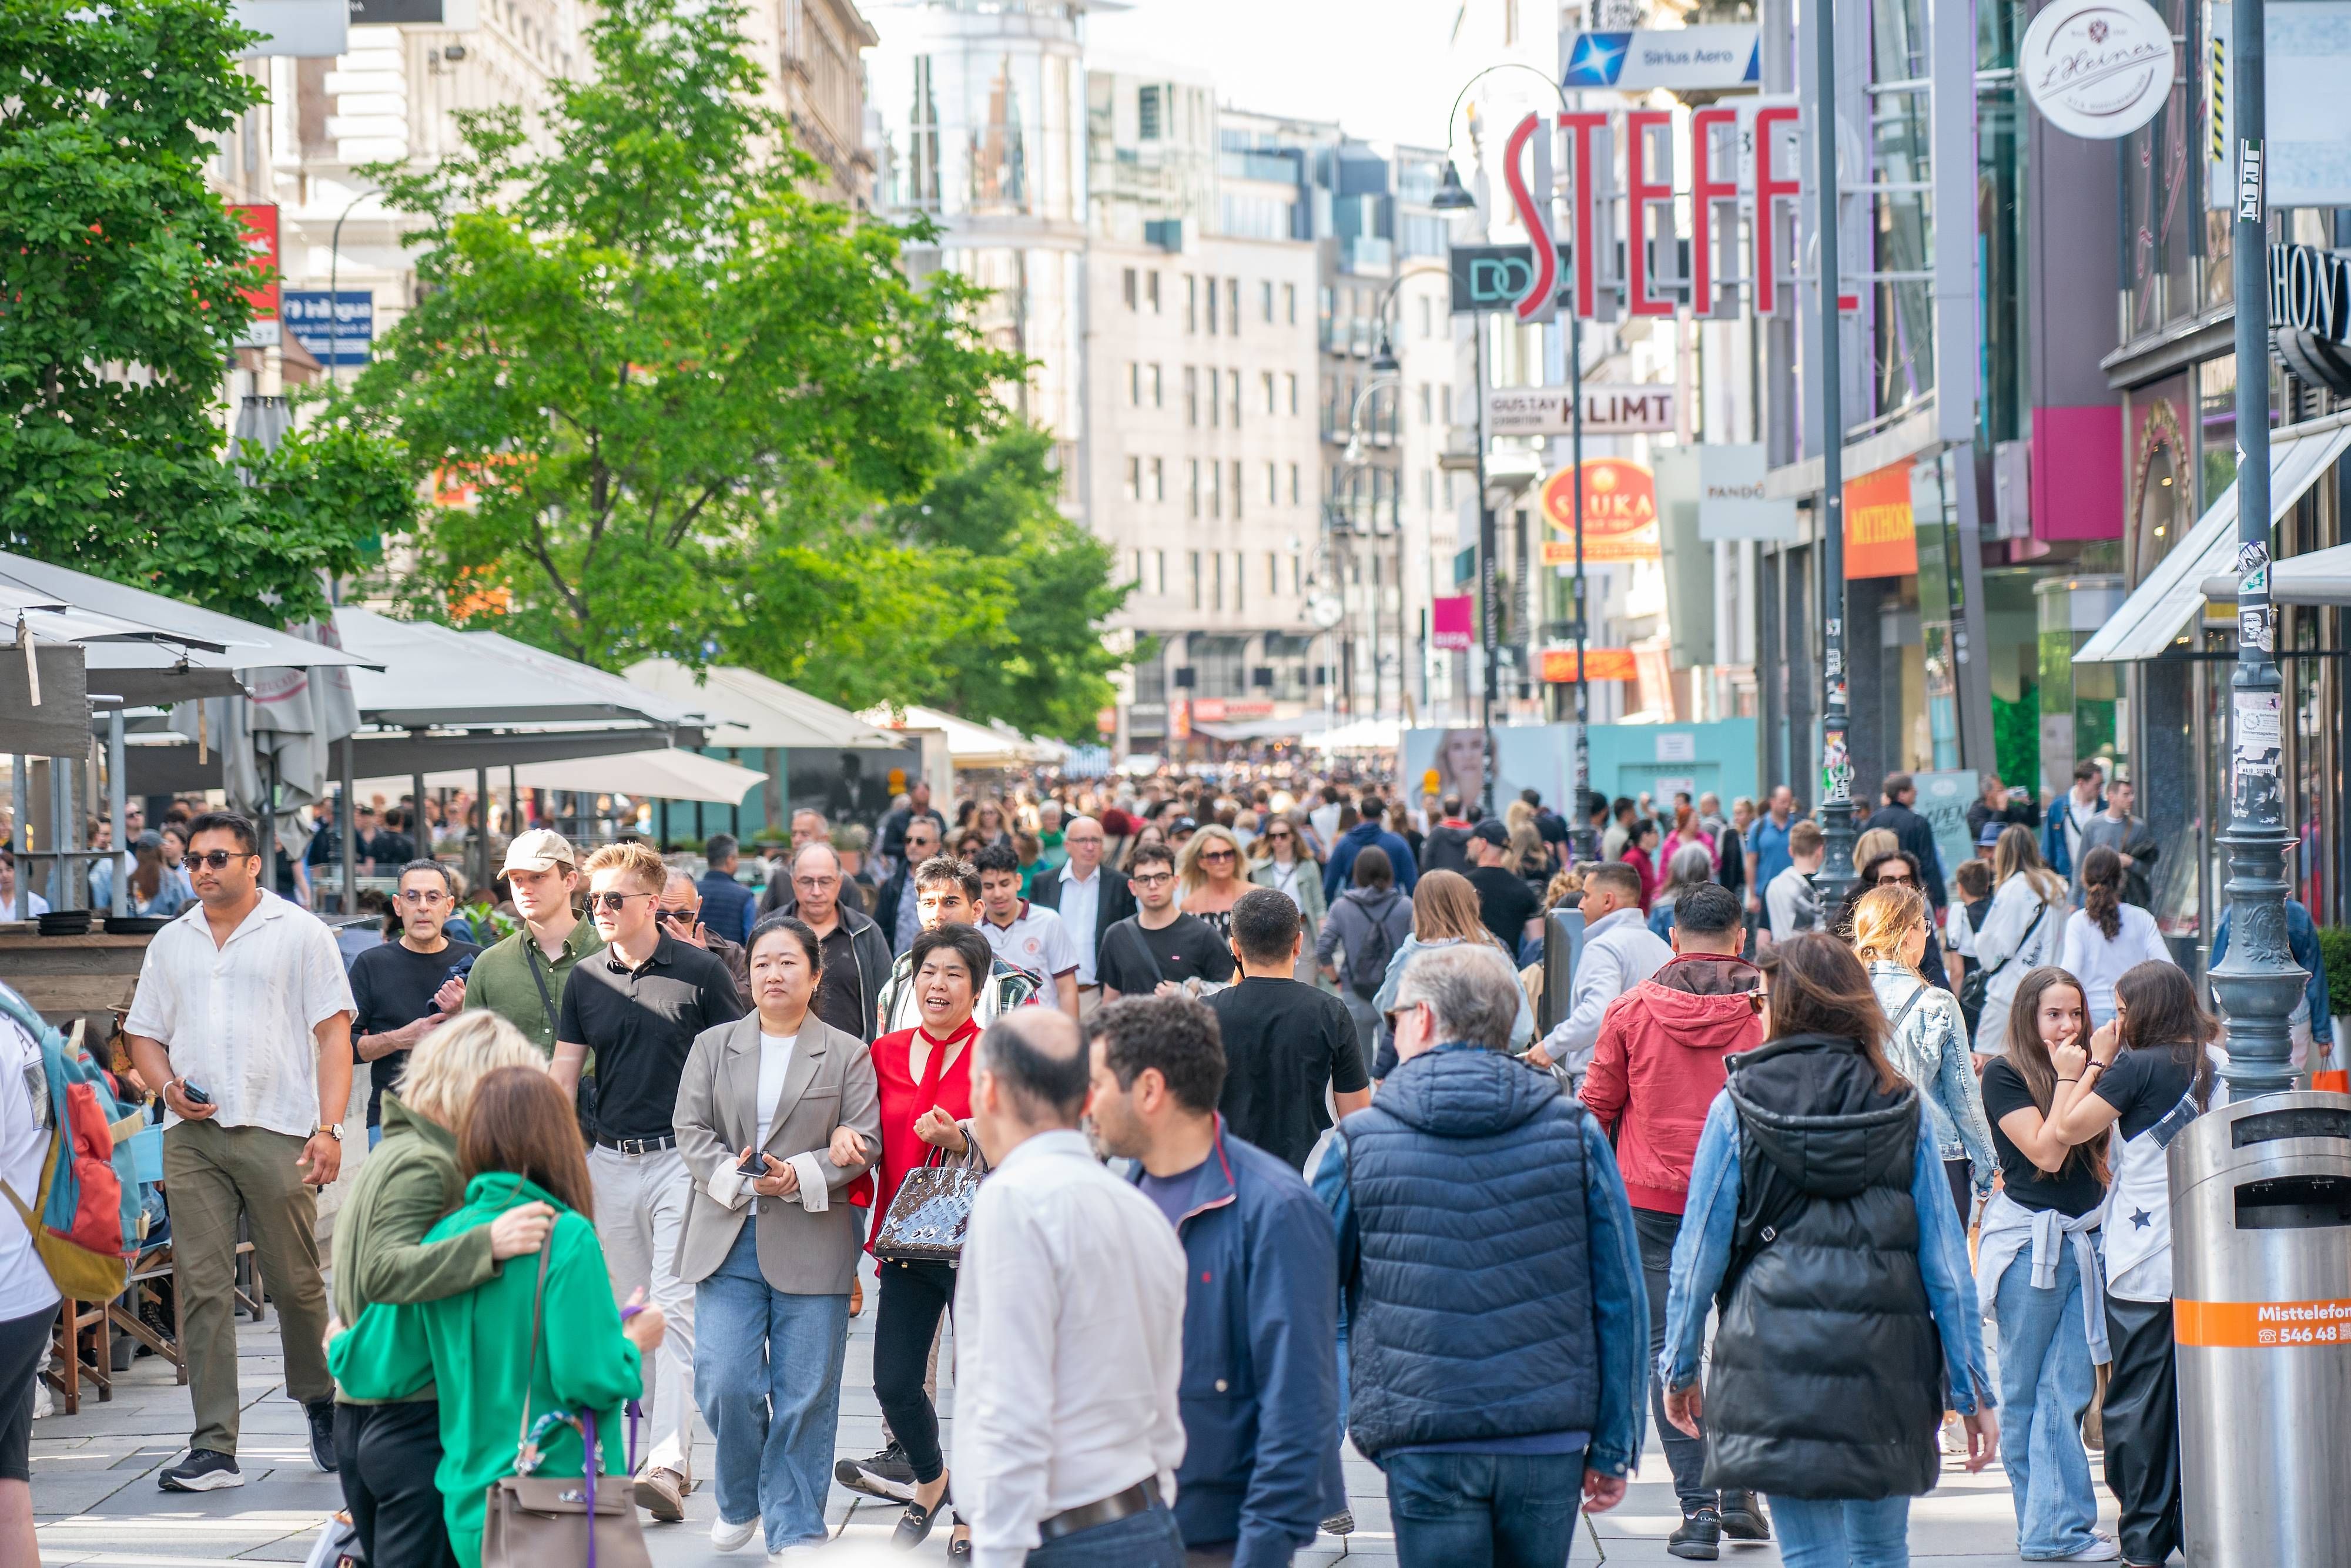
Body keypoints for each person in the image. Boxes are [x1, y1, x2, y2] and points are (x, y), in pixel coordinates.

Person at [1660, 934, 1998, 1566]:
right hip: (1887, 1359)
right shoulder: (1904, 1106)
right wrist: (1970, 1387)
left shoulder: (1738, 1103)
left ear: (1787, 1005)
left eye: (1761, 998)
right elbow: (1948, 1266)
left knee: (1812, 1553)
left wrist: (1679, 1367)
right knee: (1881, 1551)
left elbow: (1697, 1255)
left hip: (1774, 1354)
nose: (1756, 1010)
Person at [1315, 944, 1642, 1563]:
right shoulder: (1573, 1132)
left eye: (1396, 1016)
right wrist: (1613, 1442)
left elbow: (1305, 1291)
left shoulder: (1360, 1142)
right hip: (1546, 1431)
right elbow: (1620, 1295)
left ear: (1424, 1019)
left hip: (1424, 1430)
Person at [329, 1066, 667, 1568]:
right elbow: (587, 1377)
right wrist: (633, 1341)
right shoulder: (564, 1237)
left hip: (468, 1506)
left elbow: (374, 1361)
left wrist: (339, 1344)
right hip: (551, 1503)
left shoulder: (447, 1237)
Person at [122, 810, 356, 1492]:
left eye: (217, 858)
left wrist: (330, 1128)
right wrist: (167, 1087)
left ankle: (320, 1398)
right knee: (200, 1286)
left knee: (294, 1281)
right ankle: (214, 1446)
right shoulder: (172, 940)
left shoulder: (301, 932)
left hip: (278, 1127)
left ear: (253, 864)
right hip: (191, 1136)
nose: (202, 869)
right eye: (193, 859)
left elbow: (334, 1036)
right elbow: (144, 1033)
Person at [1086, 996, 1346, 1565]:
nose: (1088, 1103)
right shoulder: (1123, 1198)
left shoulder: (1277, 1210)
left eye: (1098, 1084)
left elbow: (1299, 1410)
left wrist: (1261, 1551)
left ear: (1149, 1090)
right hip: (1124, 1529)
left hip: (1216, 1540)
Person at [672, 916, 883, 1557]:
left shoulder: (846, 1052)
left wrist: (801, 1172)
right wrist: (738, 1176)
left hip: (814, 1233)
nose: (773, 974)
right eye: (762, 962)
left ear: (815, 976)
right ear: (748, 974)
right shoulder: (713, 1045)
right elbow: (691, 1129)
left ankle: (795, 1526)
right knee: (724, 1380)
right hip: (729, 1229)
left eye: (789, 962)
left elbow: (864, 1138)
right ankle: (742, 1496)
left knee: (805, 1392)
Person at [549, 838, 746, 1519]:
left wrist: (728, 1158)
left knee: (673, 1306)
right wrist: (558, 1162)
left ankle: (665, 1462)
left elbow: (737, 1062)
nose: (599, 910)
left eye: (613, 898)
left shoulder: (700, 971)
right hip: (608, 1159)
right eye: (592, 900)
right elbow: (564, 1074)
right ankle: (641, 1457)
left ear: (653, 903)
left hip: (680, 1159)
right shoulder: (585, 979)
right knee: (628, 1315)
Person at [954, 1007, 1192, 1566]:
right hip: (1146, 1518)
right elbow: (1165, 1389)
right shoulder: (1141, 1208)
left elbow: (1011, 1402)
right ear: (1086, 1098)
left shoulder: (1012, 1200)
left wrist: (999, 1552)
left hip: (1061, 1537)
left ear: (989, 1090)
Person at [1576, 883, 1767, 1560]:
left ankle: (1699, 1510)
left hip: (1651, 1201)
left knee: (1668, 1348)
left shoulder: (1631, 1010)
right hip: (1747, 1200)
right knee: (1745, 1341)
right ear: (1740, 939)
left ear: (1674, 940)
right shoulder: (1769, 1012)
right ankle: (1740, 1489)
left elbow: (1596, 1107)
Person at [328, 1011, 549, 1568]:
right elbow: (381, 1270)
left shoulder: (399, 1152)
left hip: (370, 1406)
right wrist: (486, 1244)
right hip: (410, 1419)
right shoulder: (426, 1163)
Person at [2038, 961, 2215, 1568]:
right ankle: (2202, 1525)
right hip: (2208, 1257)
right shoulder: (2217, 1062)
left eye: (2120, 1009)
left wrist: (2088, 1064)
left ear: (2144, 1010)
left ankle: (2143, 1538)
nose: (2116, 1021)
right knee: (2203, 1397)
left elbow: (2067, 1127)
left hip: (2143, 1264)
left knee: (2138, 1402)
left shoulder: (2136, 1066)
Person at [862, 923, 996, 1554]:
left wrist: (963, 1137)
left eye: (954, 974)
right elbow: (864, 1130)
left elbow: (1024, 1130)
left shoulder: (998, 1052)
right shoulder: (883, 1053)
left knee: (981, 1384)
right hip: (907, 1242)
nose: (938, 985)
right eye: (928, 973)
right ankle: (932, 1477)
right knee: (894, 1383)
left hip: (982, 1245)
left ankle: (971, 1510)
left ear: (977, 987)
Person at [1973, 967, 2114, 1564]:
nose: (2066, 1026)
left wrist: (2090, 1072)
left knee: (2068, 1391)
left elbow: (2097, 1157)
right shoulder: (2005, 1074)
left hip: (2084, 1243)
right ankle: (2047, 1529)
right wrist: (2072, 1077)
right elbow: (2047, 1153)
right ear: (2028, 1017)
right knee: (2027, 1394)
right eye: (2053, 1014)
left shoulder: (2088, 1070)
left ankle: (2053, 1528)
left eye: (2075, 1013)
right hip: (2028, 1249)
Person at [1850, 884, 1998, 1222]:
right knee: (1942, 1255)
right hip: (1933, 1154)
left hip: (1860, 1153)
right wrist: (1988, 1169)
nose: (1928, 936)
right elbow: (1964, 1097)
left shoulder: (1844, 998)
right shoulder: (1938, 1003)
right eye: (1924, 926)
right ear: (1909, 935)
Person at [1207, 889, 1371, 1170]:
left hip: (1229, 1175)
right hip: (1311, 1176)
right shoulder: (1331, 1013)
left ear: (1235, 948)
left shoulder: (1206, 1014)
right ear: (1298, 943)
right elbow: (1357, 1119)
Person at [350, 860, 480, 1149]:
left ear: (449, 906)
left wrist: (464, 1012)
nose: (423, 907)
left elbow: (502, 1039)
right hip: (395, 1120)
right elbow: (346, 1048)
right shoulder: (371, 965)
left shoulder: (478, 960)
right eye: (412, 897)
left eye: (433, 897)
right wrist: (402, 1038)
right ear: (398, 906)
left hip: (465, 1117)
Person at [463, 829, 604, 1056]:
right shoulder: (490, 964)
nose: (525, 888)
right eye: (516, 879)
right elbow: (470, 1056)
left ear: (569, 881)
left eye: (538, 877)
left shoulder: (612, 955)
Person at [1533, 862, 1672, 1086]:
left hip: (1600, 1082)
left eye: (1586, 896)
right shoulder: (1661, 947)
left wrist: (1549, 1047)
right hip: (1648, 1079)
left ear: (1608, 901)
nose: (1580, 905)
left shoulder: (1603, 947)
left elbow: (1597, 1014)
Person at [873, 854, 1045, 1035]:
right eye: (929, 903)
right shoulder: (897, 987)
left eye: (950, 903)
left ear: (977, 910)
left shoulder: (1010, 988)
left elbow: (1027, 1053)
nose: (937, 914)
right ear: (919, 910)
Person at [780, 841, 895, 1040]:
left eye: (825, 882)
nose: (816, 891)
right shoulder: (771, 932)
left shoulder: (865, 932)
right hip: (785, 1054)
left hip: (854, 1056)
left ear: (840, 882)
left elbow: (888, 1002)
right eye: (807, 881)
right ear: (793, 882)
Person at [2209, 890, 2333, 1074]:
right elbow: (2315, 977)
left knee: (2247, 1078)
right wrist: (2323, 1034)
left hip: (2246, 1009)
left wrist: (2216, 1015)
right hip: (2295, 1008)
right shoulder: (2299, 915)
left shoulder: (2233, 914)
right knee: (2288, 1082)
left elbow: (2217, 970)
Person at [1100, 842, 1237, 1002]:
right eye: (1144, 879)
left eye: (1162, 877)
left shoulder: (1203, 934)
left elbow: (1230, 993)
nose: (1153, 885)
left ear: (1176, 881)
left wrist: (1188, 993)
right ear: (1132, 886)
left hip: (1188, 1018)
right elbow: (1110, 1002)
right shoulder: (1117, 935)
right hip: (1133, 1019)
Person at [1316, 847, 1415, 1068]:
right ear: (1389, 872)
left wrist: (1336, 980)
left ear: (1357, 874)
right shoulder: (1405, 906)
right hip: (1396, 995)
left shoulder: (1342, 907)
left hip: (1355, 991)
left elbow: (1323, 949)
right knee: (1392, 1063)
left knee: (1359, 1065)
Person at [1974, 825, 2066, 1057]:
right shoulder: (2059, 886)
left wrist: (1981, 945)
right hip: (2049, 988)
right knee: (2040, 1062)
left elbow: (1997, 948)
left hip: (2010, 992)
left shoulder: (2014, 889)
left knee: (1986, 1061)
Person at [2058, 847, 2176, 1028]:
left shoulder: (2078, 922)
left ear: (2084, 879)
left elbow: (2070, 971)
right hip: (2136, 1012)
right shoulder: (2142, 918)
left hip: (2093, 1015)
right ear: (2121, 879)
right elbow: (2168, 968)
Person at [1032, 815, 1135, 1015]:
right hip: (1051, 994)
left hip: (1098, 994)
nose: (1090, 847)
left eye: (1095, 840)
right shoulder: (1044, 883)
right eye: (1082, 840)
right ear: (1067, 845)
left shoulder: (1120, 885)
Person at [972, 842, 1081, 1017]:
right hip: (992, 1028)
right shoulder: (973, 928)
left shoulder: (1048, 921)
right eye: (989, 886)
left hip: (1042, 1025)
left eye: (1004, 884)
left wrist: (1070, 1032)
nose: (998, 894)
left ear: (1018, 882)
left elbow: (1067, 987)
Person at [1245, 812, 1325, 984]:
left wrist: (1323, 942)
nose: (1278, 840)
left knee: (1305, 983)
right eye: (1272, 836)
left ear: (1293, 837)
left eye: (1283, 835)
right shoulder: (1259, 868)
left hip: (1302, 930)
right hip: (1270, 933)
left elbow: (1319, 907)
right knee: (1274, 983)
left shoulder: (1308, 866)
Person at [1863, 772, 1948, 909]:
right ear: (1902, 794)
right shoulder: (1918, 822)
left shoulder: (1875, 819)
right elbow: (1929, 863)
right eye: (1912, 789)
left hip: (1878, 892)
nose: (1916, 792)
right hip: (1910, 890)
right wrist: (1939, 899)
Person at [1463, 819, 1543, 955]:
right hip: (1507, 963)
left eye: (1472, 840)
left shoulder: (1463, 885)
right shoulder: (1523, 890)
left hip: (1470, 961)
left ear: (1483, 844)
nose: (1468, 844)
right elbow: (1537, 943)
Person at [2077, 779, 2157, 909]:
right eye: (2126, 795)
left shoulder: (2139, 827)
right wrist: (2074, 900)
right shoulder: (2092, 826)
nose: (2131, 799)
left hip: (2131, 898)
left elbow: (2147, 869)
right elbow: (2082, 864)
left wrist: (2131, 863)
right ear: (2111, 797)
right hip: (2100, 900)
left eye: (2132, 794)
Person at [1321, 796, 1418, 902]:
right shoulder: (1397, 843)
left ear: (1359, 815)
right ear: (1382, 816)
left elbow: (1330, 882)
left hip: (1355, 905)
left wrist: (1329, 906)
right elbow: (1412, 882)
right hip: (1390, 905)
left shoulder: (1344, 844)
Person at [875, 814, 945, 956]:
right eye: (908, 840)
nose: (913, 846)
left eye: (921, 841)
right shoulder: (892, 885)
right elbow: (881, 930)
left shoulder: (948, 884)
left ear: (936, 846)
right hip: (898, 964)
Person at [90, 830, 191, 917]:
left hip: (134, 931)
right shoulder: (171, 879)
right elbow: (182, 912)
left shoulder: (130, 880)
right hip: (165, 930)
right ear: (160, 850)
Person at [1176, 823, 1251, 939]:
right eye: (1214, 856)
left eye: (1228, 854)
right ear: (1201, 862)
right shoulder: (1190, 905)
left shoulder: (1254, 895)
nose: (1222, 861)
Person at [2042, 761, 2105, 889]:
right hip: (2065, 879)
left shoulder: (2103, 808)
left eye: (2101, 785)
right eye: (2097, 786)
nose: (2100, 790)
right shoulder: (2058, 807)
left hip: (2096, 881)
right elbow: (2049, 846)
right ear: (2081, 783)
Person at [1764, 820, 1826, 944]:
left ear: (1791, 851)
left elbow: (1763, 935)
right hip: (1820, 952)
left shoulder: (1774, 886)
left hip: (1783, 953)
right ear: (1820, 851)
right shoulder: (1828, 887)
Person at [1645, 843, 1717, 943]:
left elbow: (1653, 945)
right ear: (1707, 871)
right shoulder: (1717, 908)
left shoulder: (1662, 909)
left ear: (1674, 870)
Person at [699, 833, 758, 943]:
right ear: (730, 860)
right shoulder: (744, 895)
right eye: (737, 858)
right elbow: (751, 938)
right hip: (733, 953)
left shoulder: (693, 890)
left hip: (697, 952)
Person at [880, 778, 947, 870]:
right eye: (908, 840)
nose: (914, 845)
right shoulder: (898, 818)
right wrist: (910, 848)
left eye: (925, 793)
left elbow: (945, 840)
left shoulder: (936, 816)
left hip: (933, 867)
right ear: (912, 795)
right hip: (904, 867)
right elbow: (887, 847)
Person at [1746, 787, 1797, 905]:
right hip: (1765, 893)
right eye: (1783, 802)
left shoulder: (1797, 826)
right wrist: (1752, 896)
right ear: (1772, 802)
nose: (1787, 806)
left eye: (1789, 802)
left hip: (1793, 892)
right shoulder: (1758, 828)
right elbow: (1751, 863)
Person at [1968, 771, 2041, 846]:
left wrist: (2029, 802)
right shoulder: (1976, 813)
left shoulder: (2010, 809)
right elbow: (1988, 836)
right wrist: (2001, 810)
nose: (2005, 793)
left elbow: (2034, 822)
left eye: (2004, 789)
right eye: (2000, 790)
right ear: (1988, 794)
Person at [1421, 795, 1475, 875]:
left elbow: (1426, 860)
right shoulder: (1471, 832)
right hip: (1466, 878)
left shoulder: (1436, 832)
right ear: (1460, 811)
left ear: (1443, 811)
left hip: (1442, 879)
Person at [1621, 819, 1663, 912]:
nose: (1659, 836)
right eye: (1655, 832)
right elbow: (1624, 889)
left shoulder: (1646, 858)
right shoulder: (1633, 858)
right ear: (1645, 836)